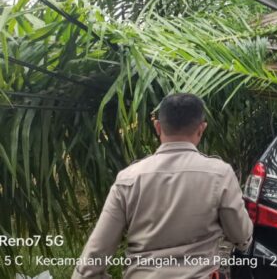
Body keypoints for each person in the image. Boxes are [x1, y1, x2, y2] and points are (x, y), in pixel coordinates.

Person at [72, 93, 253, 279]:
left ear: (158, 127)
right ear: (201, 128)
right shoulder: (220, 174)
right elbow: (241, 236)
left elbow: (89, 266)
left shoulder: (128, 179)